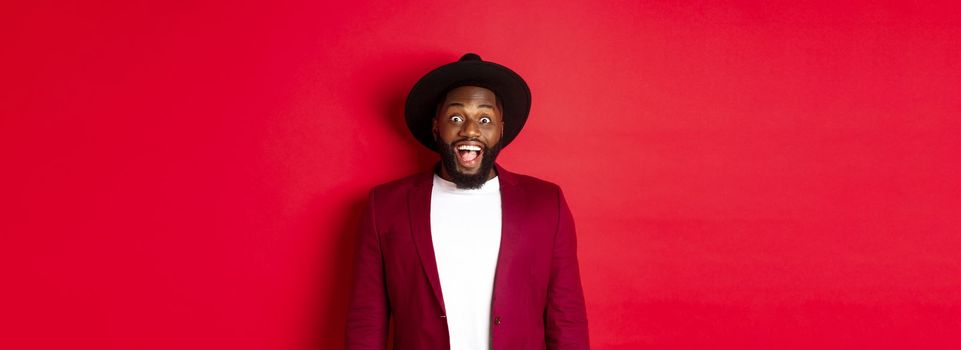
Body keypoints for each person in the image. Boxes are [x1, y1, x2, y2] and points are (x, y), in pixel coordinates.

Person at [346, 53, 589, 350]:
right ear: (437, 127)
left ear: (501, 128)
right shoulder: (384, 207)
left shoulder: (546, 204)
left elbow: (567, 317)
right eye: (456, 118)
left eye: (484, 119)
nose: (470, 130)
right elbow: (367, 320)